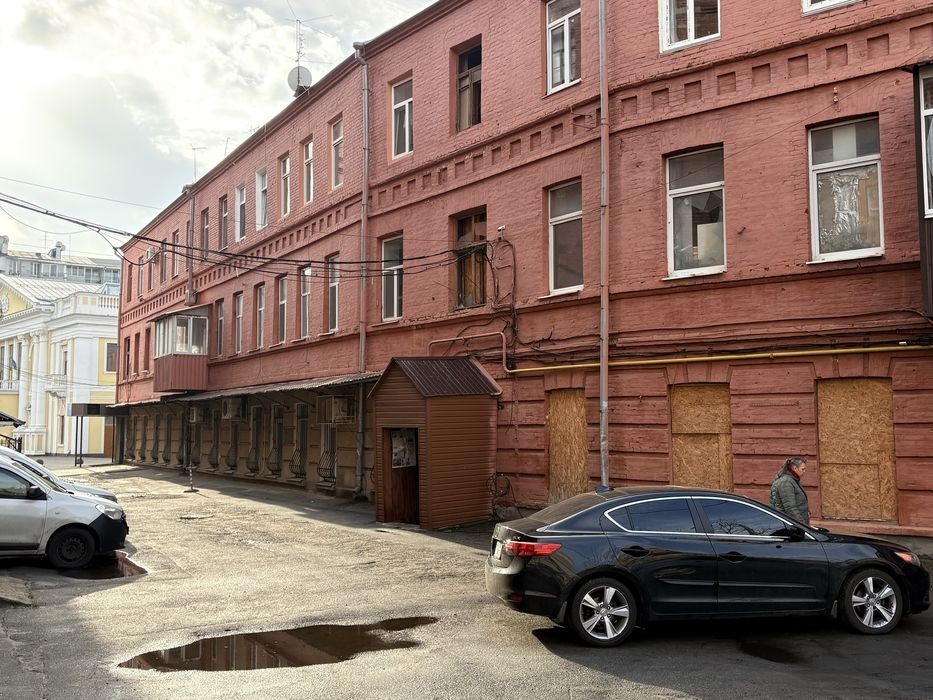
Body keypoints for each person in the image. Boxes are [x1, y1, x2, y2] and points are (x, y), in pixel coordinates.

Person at [769, 456, 810, 524]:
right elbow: (790, 508)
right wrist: (802, 525)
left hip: (794, 524)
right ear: (795, 468)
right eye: (802, 469)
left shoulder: (793, 480)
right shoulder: (786, 482)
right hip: (790, 525)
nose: (804, 471)